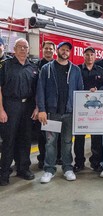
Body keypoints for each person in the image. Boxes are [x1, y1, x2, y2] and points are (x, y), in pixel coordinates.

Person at [37, 41, 83, 183]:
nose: (65, 52)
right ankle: (49, 170)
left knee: (67, 142)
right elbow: (40, 90)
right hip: (52, 114)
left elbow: (80, 91)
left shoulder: (75, 70)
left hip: (69, 113)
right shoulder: (46, 69)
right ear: (57, 51)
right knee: (50, 143)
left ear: (70, 53)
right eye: (62, 49)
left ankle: (68, 168)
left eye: (67, 50)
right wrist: (42, 110)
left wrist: (79, 112)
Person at [0, 38, 38, 186]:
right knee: (9, 140)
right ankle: (4, 173)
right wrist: (1, 110)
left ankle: (23, 169)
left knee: (25, 139)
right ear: (14, 49)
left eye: (25, 47)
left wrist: (36, 108)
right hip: (10, 106)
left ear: (28, 50)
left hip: (27, 106)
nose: (23, 49)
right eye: (20, 47)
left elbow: (37, 91)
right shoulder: (5, 66)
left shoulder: (33, 68)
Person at [73, 46, 103, 172]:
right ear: (83, 56)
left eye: (91, 55)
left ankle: (96, 162)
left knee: (96, 137)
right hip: (81, 109)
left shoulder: (100, 71)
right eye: (87, 54)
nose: (89, 57)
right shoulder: (77, 70)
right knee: (79, 137)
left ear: (95, 56)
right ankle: (79, 162)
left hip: (96, 109)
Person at [36, 41, 63, 169]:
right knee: (43, 136)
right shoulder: (36, 66)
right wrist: (38, 107)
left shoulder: (58, 66)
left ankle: (56, 157)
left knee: (56, 134)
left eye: (50, 49)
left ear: (54, 51)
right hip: (42, 107)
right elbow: (38, 89)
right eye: (46, 48)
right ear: (42, 50)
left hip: (55, 108)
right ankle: (42, 159)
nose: (48, 51)